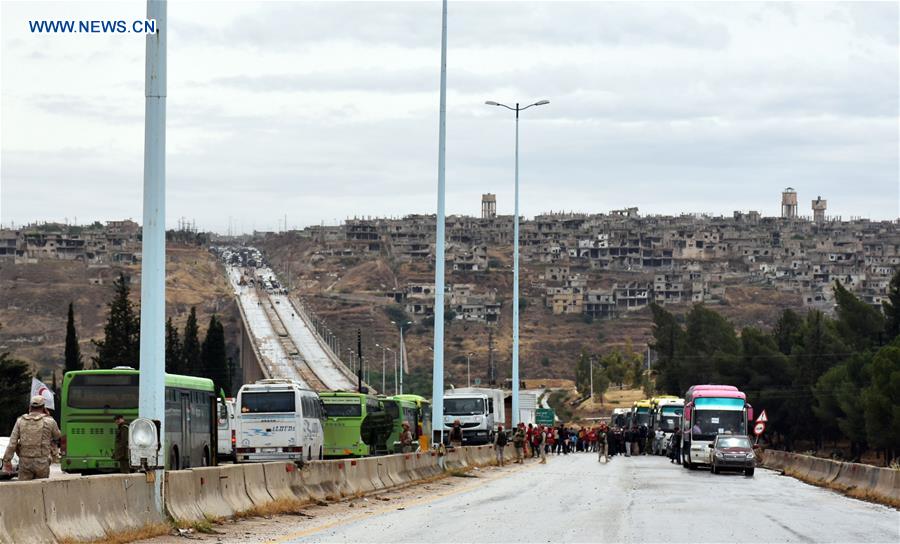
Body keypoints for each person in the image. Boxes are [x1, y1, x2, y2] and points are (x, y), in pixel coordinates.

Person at [2, 396, 61, 481]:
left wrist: (7, 461)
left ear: (30, 407)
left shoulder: (20, 421)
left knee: (24, 487)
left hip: (25, 462)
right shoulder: (50, 421)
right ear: (44, 408)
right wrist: (48, 416)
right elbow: (57, 436)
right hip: (42, 462)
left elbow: (12, 443)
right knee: (41, 487)